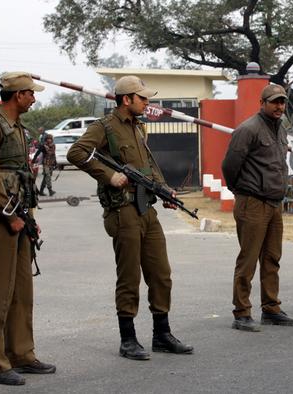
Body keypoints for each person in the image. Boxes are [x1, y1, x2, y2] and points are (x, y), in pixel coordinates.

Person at [66, 75, 193, 360]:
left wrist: (164, 191)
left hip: (147, 209)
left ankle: (162, 334)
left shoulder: (138, 128)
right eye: (143, 98)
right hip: (123, 211)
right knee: (129, 277)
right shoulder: (105, 128)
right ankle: (128, 339)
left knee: (161, 274)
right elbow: (77, 153)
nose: (147, 103)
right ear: (127, 100)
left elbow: (148, 164)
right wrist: (109, 175)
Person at [0, 72, 56, 386]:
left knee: (22, 289)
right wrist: (10, 216)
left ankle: (21, 353)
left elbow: (20, 176)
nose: (34, 99)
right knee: (0, 292)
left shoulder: (19, 128)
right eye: (31, 94)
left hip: (22, 218)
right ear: (17, 94)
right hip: (3, 219)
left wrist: (28, 218)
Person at [222, 84, 293, 332]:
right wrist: (241, 191)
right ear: (262, 103)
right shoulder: (248, 129)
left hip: (274, 203)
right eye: (275, 102)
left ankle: (271, 309)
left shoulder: (281, 130)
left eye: (282, 102)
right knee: (248, 259)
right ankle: (241, 313)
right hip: (252, 202)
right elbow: (230, 166)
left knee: (272, 258)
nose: (279, 106)